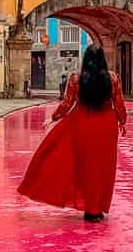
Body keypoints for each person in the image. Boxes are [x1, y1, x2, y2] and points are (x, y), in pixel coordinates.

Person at [19, 45, 127, 223]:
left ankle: (90, 207)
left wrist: (54, 118)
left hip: (82, 123)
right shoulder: (113, 78)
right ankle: (96, 208)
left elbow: (67, 103)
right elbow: (119, 103)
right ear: (103, 59)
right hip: (106, 126)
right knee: (102, 167)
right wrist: (122, 122)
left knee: (83, 165)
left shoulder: (76, 79)